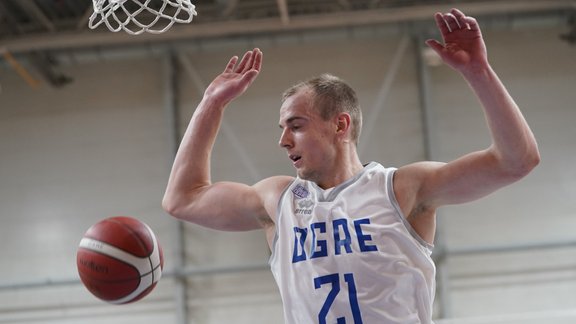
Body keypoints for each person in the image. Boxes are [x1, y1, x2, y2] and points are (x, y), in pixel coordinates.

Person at [162, 8, 540, 324]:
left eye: (296, 125)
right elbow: (182, 199)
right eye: (282, 128)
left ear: (340, 125)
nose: (283, 140)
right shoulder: (278, 201)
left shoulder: (401, 190)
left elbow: (516, 161)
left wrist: (480, 73)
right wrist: (211, 104)